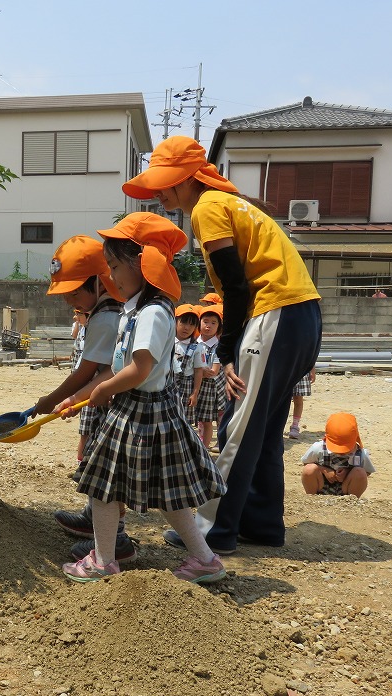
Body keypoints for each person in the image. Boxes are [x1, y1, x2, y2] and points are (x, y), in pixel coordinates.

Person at [123, 136, 321, 554]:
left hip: (276, 313)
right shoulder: (230, 204)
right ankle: (262, 523)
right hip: (301, 317)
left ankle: (212, 529)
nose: (158, 192)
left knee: (238, 427)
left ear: (185, 178)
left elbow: (233, 285)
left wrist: (227, 353)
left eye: (163, 183)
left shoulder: (209, 207)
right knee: (264, 430)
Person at [54, 212, 227, 584]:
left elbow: (140, 368)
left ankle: (105, 560)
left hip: (144, 412)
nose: (111, 275)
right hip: (138, 409)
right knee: (132, 489)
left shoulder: (152, 312)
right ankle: (202, 559)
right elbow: (118, 368)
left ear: (141, 263)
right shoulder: (136, 309)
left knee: (106, 485)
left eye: (115, 266)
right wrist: (79, 398)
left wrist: (100, 391)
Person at [33, 236, 135, 563]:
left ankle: (116, 540)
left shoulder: (106, 318)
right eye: (65, 294)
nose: (69, 300)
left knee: (106, 471)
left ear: (99, 281)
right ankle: (94, 520)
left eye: (75, 292)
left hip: (115, 405)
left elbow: (85, 373)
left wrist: (53, 399)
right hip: (102, 402)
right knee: (96, 463)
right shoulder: (100, 312)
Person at [301, 413, 375, 497]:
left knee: (360, 472)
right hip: (321, 486)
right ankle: (312, 498)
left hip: (346, 488)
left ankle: (351, 501)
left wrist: (347, 473)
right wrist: (324, 470)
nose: (341, 452)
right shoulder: (318, 448)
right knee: (309, 469)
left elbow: (367, 472)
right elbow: (306, 463)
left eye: (346, 448)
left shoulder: (360, 453)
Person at [190, 304, 227, 451]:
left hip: (213, 387)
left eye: (213, 323)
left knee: (214, 417)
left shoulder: (218, 346)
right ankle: (201, 441)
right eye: (205, 321)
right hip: (197, 386)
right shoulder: (193, 343)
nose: (208, 326)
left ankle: (217, 442)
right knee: (200, 417)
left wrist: (198, 370)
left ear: (219, 326)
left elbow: (214, 371)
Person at [172, 303, 200, 425]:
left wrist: (195, 393)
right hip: (166, 384)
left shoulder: (197, 347)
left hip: (186, 387)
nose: (187, 328)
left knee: (183, 422)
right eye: (183, 322)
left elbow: (198, 371)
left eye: (191, 324)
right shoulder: (167, 341)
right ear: (175, 321)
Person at [288, 367, 316, 439]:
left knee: (298, 398)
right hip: (285, 368)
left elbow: (311, 355)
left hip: (301, 369)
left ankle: (295, 425)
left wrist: (312, 369)